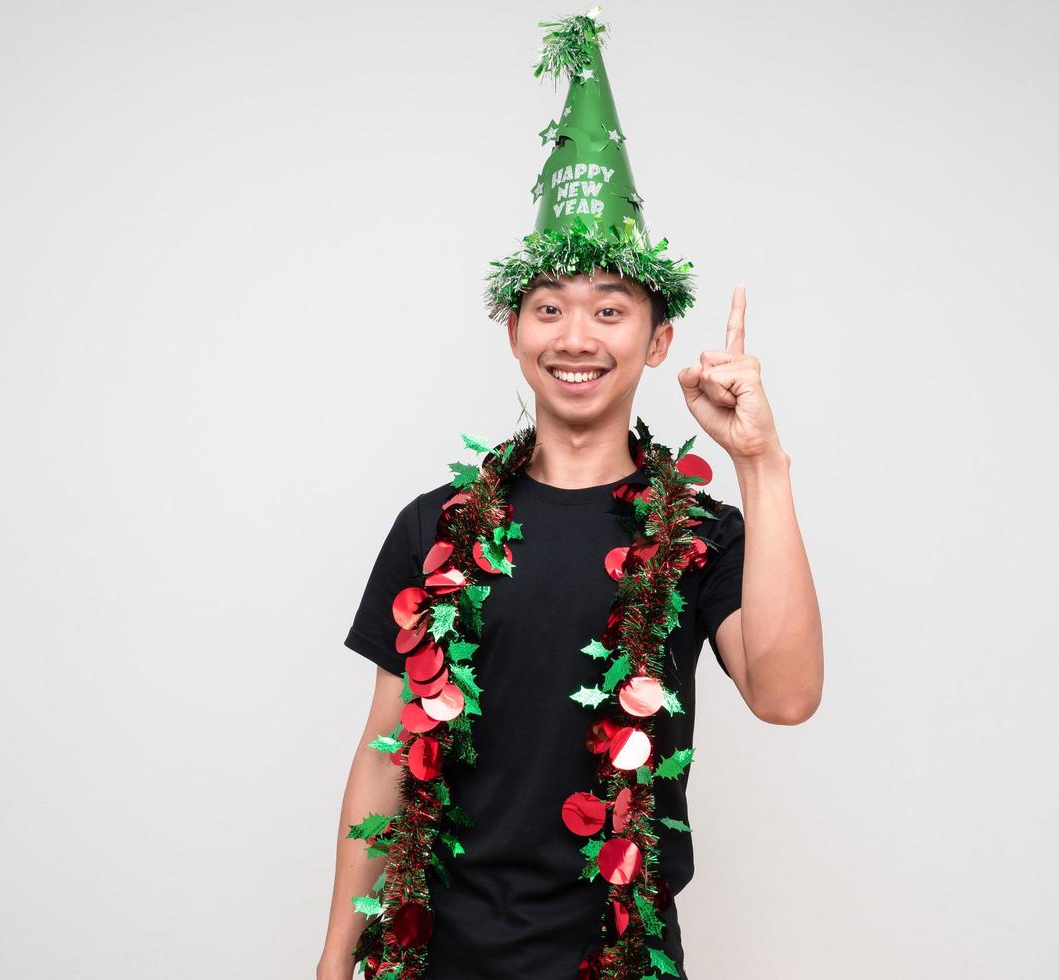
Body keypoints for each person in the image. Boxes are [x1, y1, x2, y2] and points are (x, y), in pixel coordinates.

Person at [317, 9, 822, 980]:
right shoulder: (432, 527)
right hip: (434, 959)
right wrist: (334, 962)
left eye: (607, 307)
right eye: (548, 306)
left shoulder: (699, 539)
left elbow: (788, 693)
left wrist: (761, 464)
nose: (575, 335)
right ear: (513, 330)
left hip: (617, 963)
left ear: (657, 337)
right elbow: (383, 755)